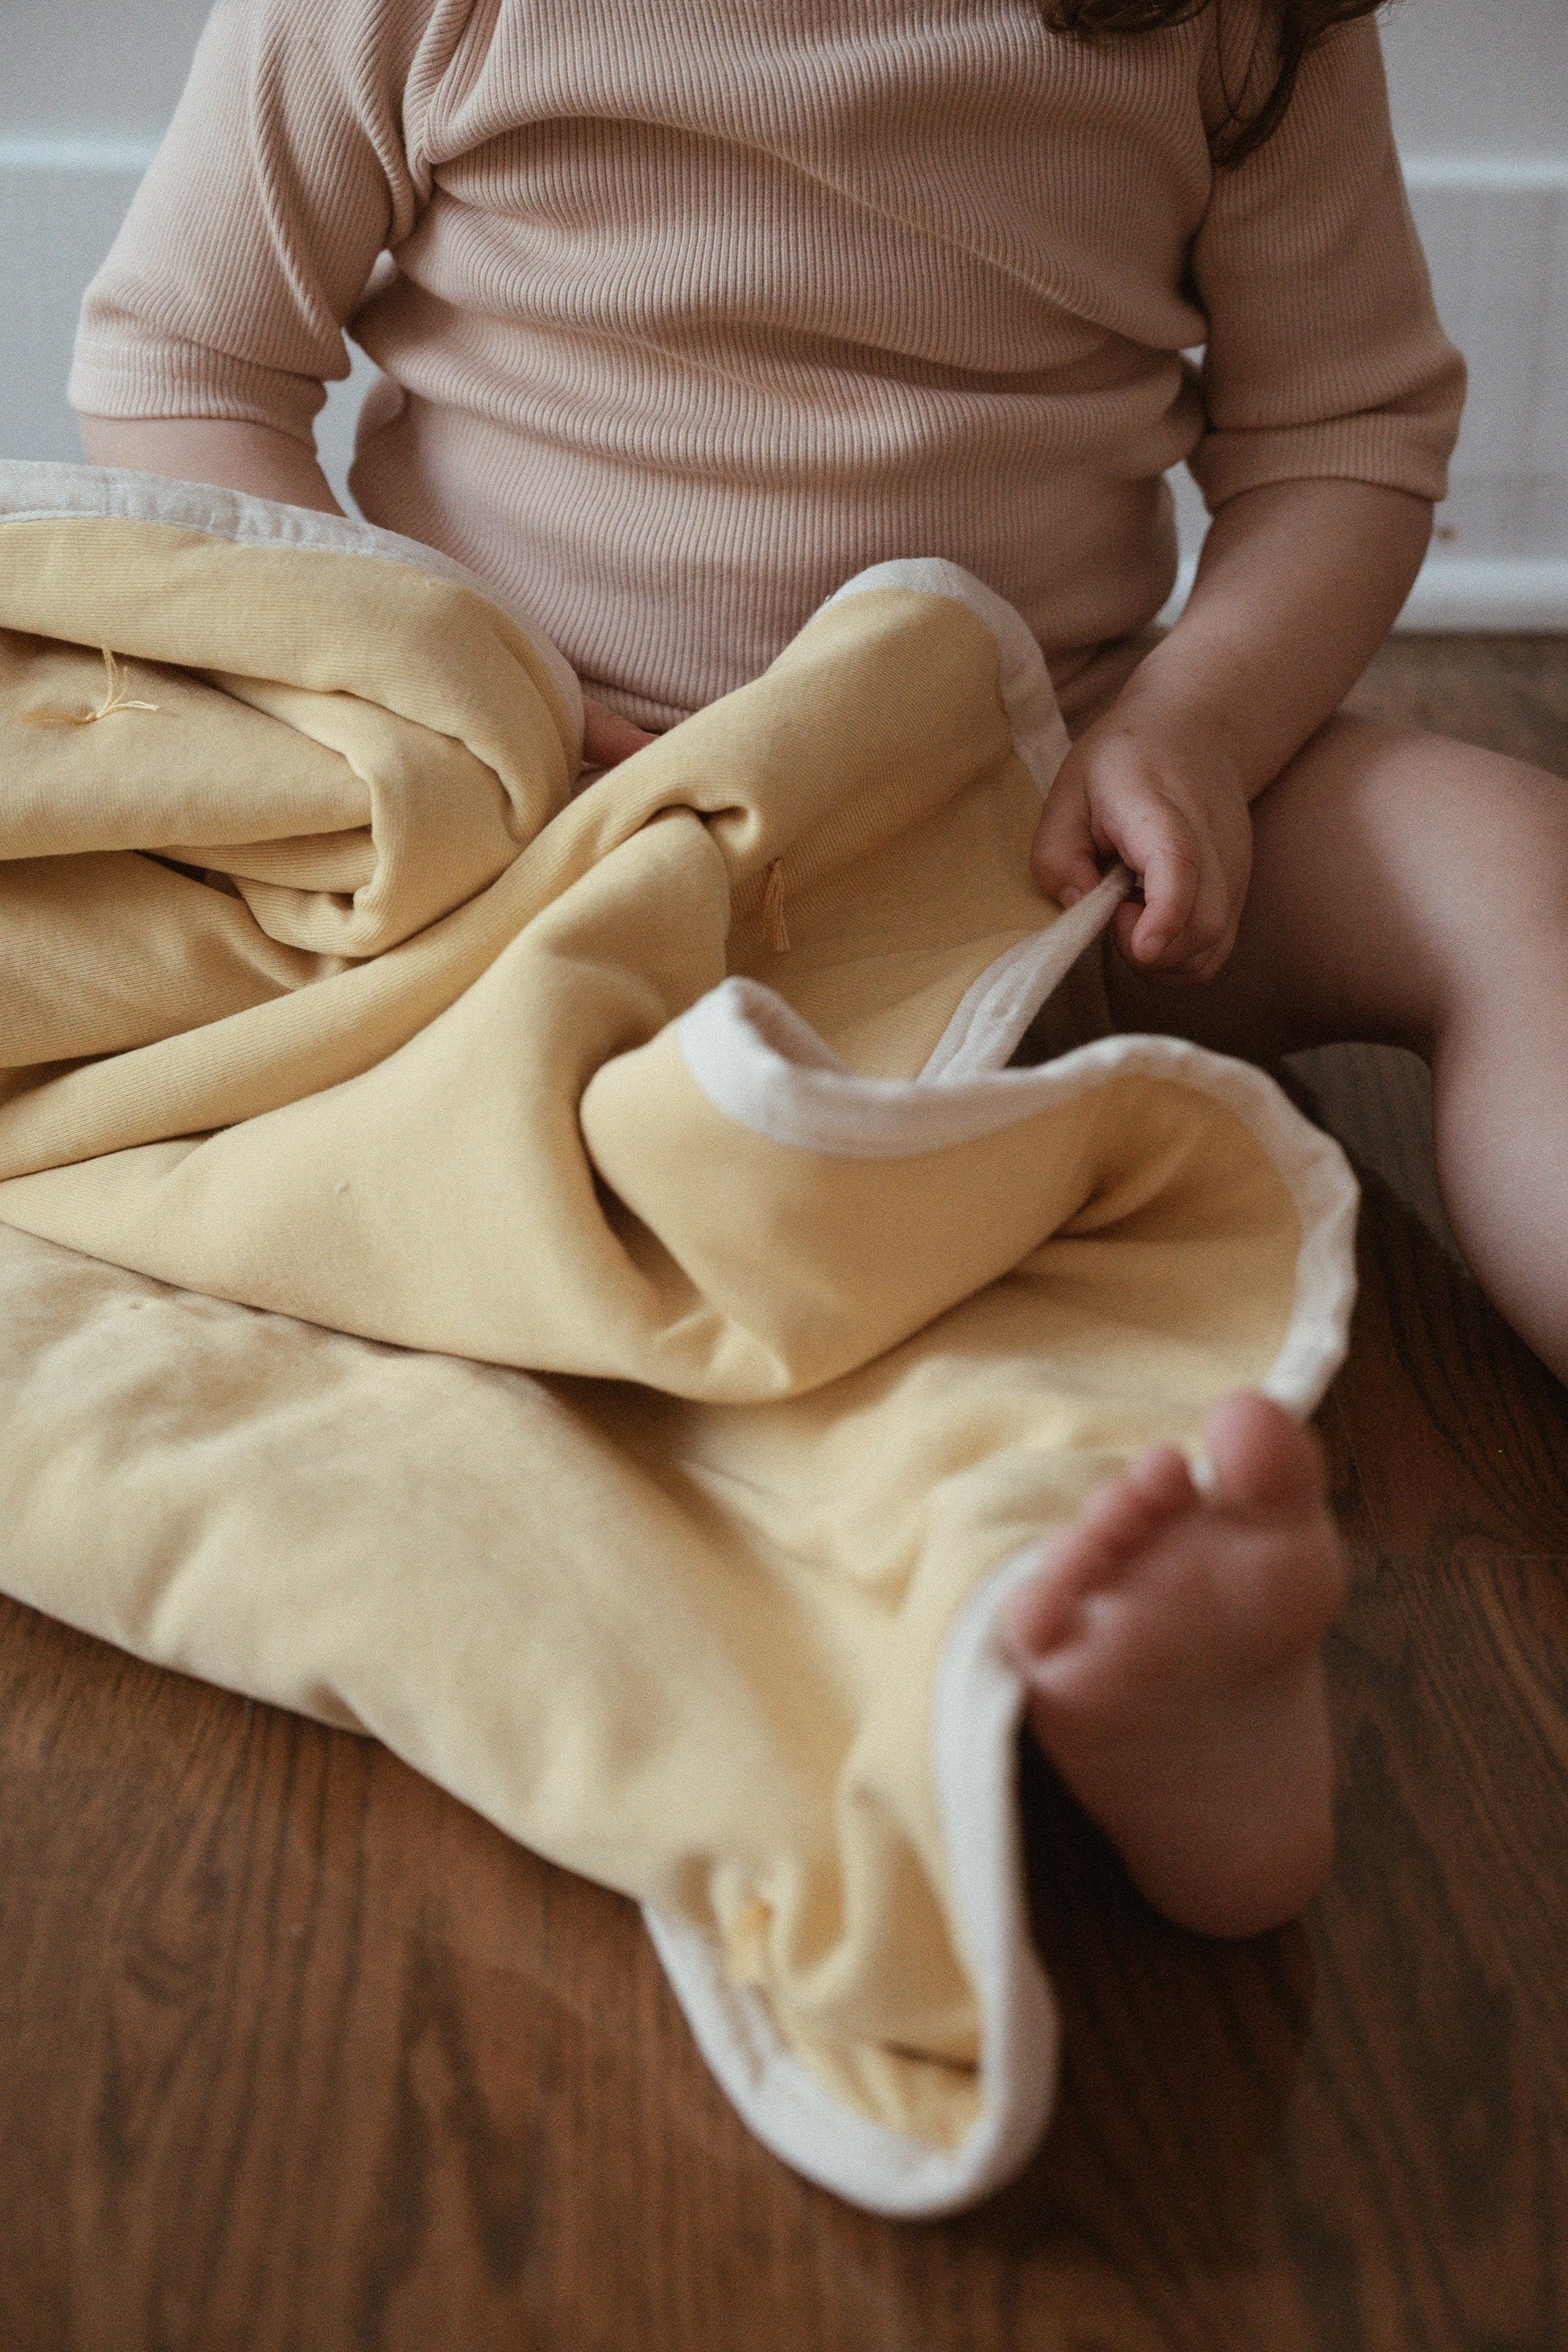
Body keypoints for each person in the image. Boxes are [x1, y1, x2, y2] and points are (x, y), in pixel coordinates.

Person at [68, 0, 1563, 1943]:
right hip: (554, 852)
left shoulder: (1219, 20)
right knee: (191, 984)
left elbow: (1345, 441)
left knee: (1502, 859)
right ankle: (1048, 1639)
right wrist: (455, 684)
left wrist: (1193, 721)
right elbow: (184, 365)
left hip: (1050, 828)